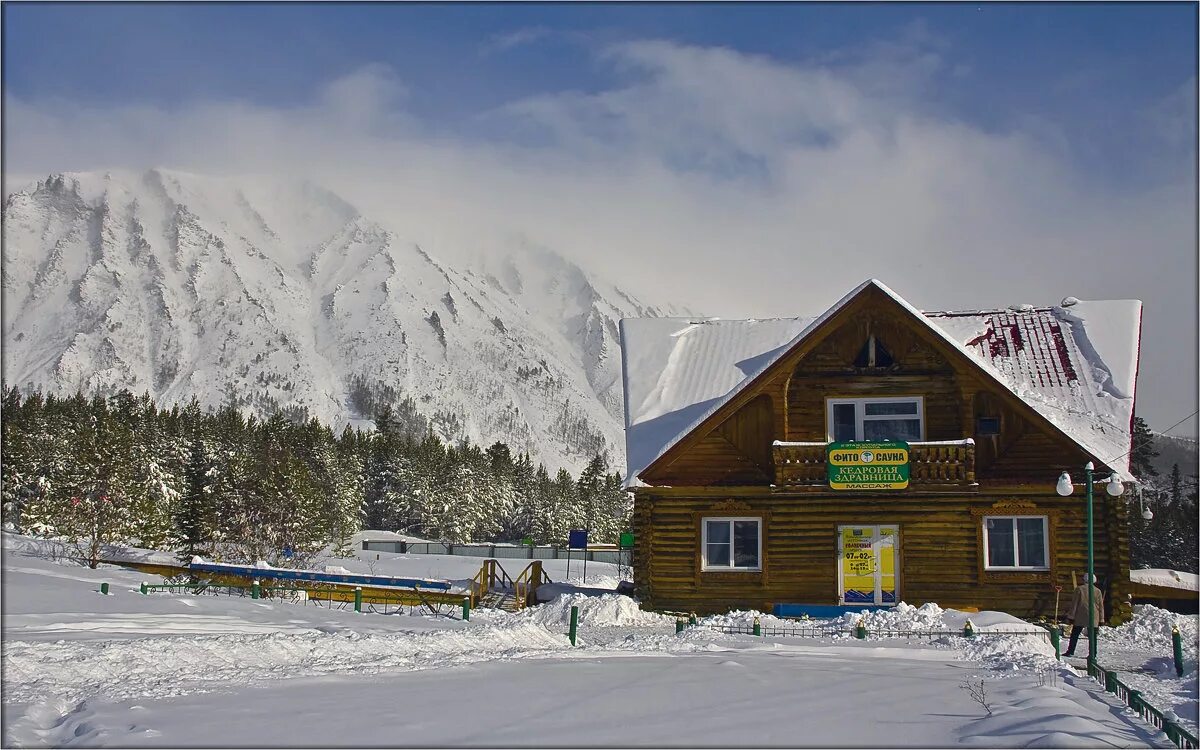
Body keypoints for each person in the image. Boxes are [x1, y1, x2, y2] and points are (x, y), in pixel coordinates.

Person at [1062, 573, 1105, 657]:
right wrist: (1101, 619)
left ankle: (1070, 651)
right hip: (1094, 616)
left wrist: (1071, 616)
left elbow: (1074, 604)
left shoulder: (1079, 589)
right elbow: (1101, 606)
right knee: (1092, 637)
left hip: (1080, 616)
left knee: (1075, 634)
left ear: (1084, 579)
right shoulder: (1098, 591)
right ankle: (1093, 653)